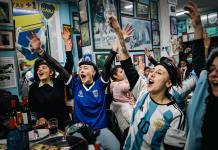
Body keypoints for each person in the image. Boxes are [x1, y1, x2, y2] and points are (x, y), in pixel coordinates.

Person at [30, 16, 133, 149]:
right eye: (80, 69)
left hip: (101, 130)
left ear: (94, 73)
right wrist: (40, 51)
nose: (81, 71)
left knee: (117, 147)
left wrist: (118, 40)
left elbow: (108, 64)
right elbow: (58, 67)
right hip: (80, 131)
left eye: (85, 68)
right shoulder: (75, 84)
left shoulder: (100, 85)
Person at [114, 15, 186, 149]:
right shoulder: (143, 91)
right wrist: (120, 37)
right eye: (153, 70)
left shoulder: (175, 115)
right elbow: (128, 66)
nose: (152, 74)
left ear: (169, 83)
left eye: (159, 73)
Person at [183, 1, 218, 149]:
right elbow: (198, 64)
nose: (215, 74)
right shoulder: (206, 87)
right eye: (212, 69)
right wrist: (197, 27)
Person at [28, 29, 72, 130]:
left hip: (64, 125)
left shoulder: (59, 81)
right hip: (44, 127)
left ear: (51, 72)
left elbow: (68, 67)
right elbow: (32, 108)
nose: (40, 70)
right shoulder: (34, 87)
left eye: (43, 68)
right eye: (38, 69)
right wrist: (40, 117)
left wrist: (67, 45)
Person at [110, 65, 135, 132]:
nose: (123, 73)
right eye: (121, 72)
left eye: (123, 71)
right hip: (126, 107)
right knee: (134, 123)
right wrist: (139, 73)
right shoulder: (117, 85)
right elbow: (130, 86)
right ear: (115, 76)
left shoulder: (119, 82)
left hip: (129, 105)